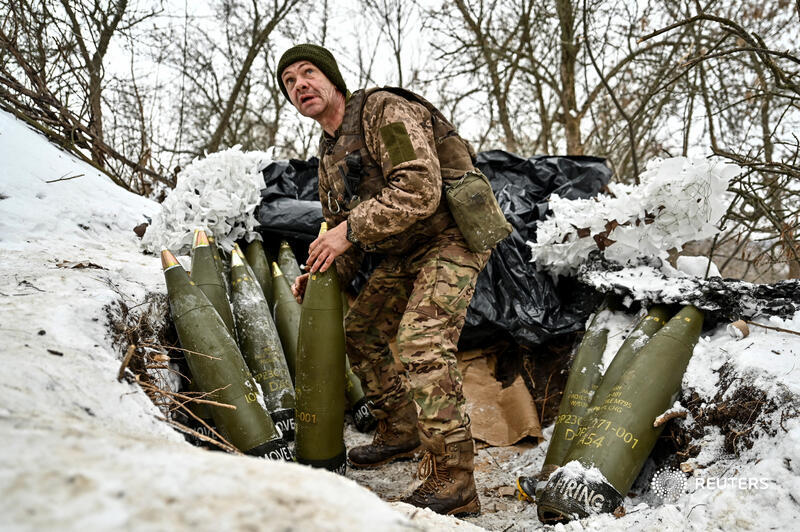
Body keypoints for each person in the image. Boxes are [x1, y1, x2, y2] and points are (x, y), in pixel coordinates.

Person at [278, 43, 490, 517]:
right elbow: (343, 236)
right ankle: (401, 429)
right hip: (403, 248)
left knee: (422, 341)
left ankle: (455, 483)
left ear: (332, 80)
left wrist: (347, 232)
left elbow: (419, 185)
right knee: (361, 332)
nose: (300, 85)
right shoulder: (329, 153)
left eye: (308, 73)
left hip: (451, 234)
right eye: (290, 82)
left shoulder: (382, 111)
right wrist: (321, 275)